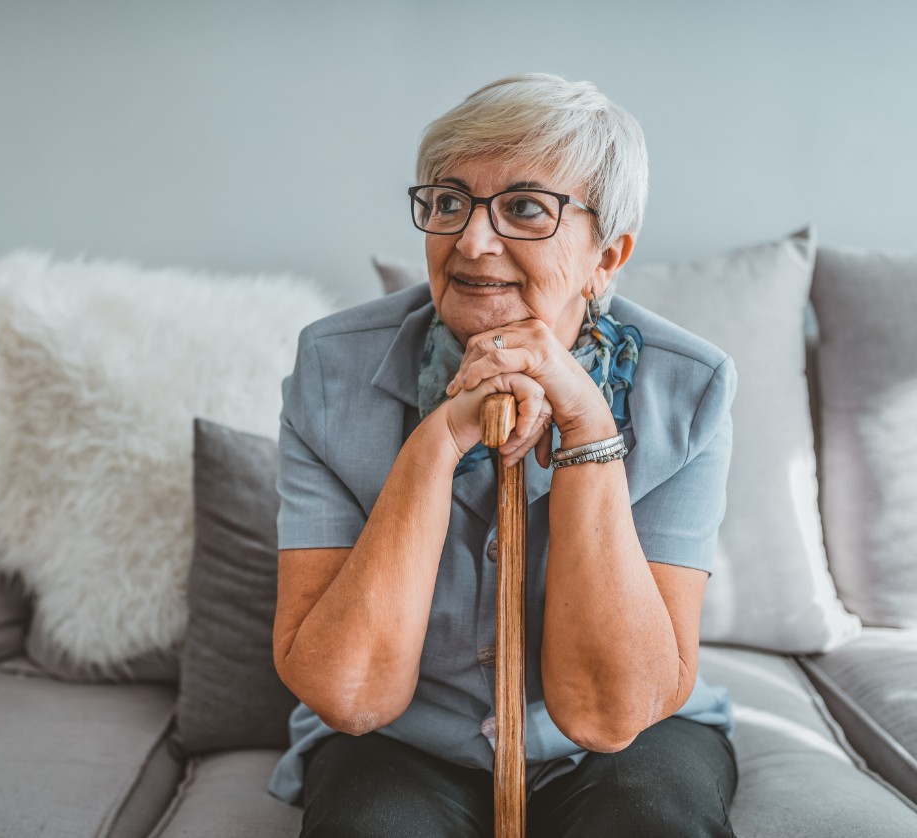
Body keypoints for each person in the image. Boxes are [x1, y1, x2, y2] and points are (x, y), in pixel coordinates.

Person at [266, 73, 739, 837]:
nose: (471, 242)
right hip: (404, 738)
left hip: (626, 746)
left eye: (525, 208)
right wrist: (442, 437)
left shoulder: (693, 387)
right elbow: (349, 695)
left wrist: (588, 424)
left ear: (606, 256)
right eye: (449, 202)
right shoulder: (331, 368)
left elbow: (608, 713)